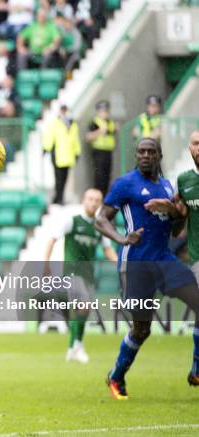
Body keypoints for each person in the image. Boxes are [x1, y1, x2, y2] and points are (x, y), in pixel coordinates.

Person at [94, 138, 199, 399]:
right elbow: (100, 219)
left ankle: (197, 369)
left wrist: (175, 212)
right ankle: (116, 376)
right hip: (136, 263)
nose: (145, 155)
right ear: (136, 154)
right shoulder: (125, 184)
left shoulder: (166, 186)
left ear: (159, 155)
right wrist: (121, 238)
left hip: (164, 259)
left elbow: (175, 230)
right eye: (141, 151)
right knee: (142, 329)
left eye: (151, 152)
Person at [43, 188, 117, 363]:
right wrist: (45, 264)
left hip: (88, 274)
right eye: (90, 199)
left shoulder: (99, 226)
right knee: (83, 307)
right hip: (71, 271)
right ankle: (77, 346)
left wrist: (121, 265)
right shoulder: (72, 221)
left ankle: (73, 347)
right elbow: (52, 238)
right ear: (84, 200)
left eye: (97, 200)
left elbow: (107, 250)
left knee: (82, 310)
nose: (93, 202)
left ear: (100, 204)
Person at [173, 129, 199, 387]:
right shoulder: (184, 181)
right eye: (195, 143)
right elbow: (179, 220)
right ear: (190, 149)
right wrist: (172, 210)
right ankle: (197, 366)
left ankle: (196, 367)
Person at [42, 104, 80, 205]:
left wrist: (77, 152)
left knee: (64, 178)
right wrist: (46, 148)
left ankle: (59, 197)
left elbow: (75, 139)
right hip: (58, 155)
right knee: (58, 178)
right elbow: (50, 137)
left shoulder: (73, 124)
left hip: (68, 156)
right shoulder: (55, 123)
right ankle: (59, 198)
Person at [86, 100, 117, 195]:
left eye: (106, 111)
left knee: (107, 176)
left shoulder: (110, 122)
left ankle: (104, 196)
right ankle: (97, 196)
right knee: (99, 176)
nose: (104, 113)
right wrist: (100, 131)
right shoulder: (95, 122)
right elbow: (88, 137)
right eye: (102, 111)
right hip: (98, 152)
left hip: (108, 152)